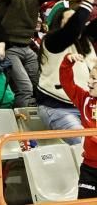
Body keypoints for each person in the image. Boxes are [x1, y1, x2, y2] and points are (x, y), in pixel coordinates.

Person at [0, 0, 64, 107]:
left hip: (27, 47)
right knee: (25, 89)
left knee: (41, 88)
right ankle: (23, 129)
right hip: (8, 48)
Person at [37, 0, 97, 142]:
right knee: (85, 143)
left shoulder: (86, 42)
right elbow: (72, 30)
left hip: (87, 106)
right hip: (57, 108)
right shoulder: (52, 42)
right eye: (70, 20)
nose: (78, 23)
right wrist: (86, 1)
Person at [59, 52, 97, 199]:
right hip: (89, 169)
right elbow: (66, 83)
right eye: (89, 77)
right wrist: (67, 62)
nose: (88, 82)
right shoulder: (84, 99)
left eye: (94, 79)